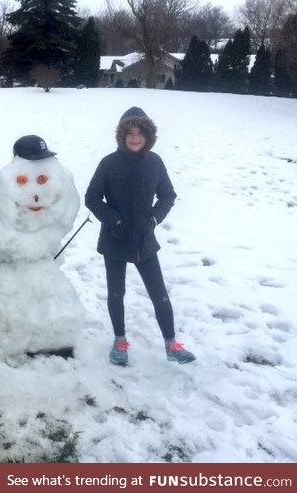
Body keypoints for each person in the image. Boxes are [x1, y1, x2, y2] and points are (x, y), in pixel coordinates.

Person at [85, 107, 196, 366]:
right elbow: (92, 198)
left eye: (140, 133)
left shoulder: (155, 162)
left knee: (160, 294)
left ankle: (171, 344)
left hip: (144, 239)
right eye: (129, 133)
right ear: (122, 136)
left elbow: (168, 194)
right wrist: (114, 218)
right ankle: (120, 340)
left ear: (148, 136)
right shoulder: (108, 163)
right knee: (116, 293)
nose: (135, 138)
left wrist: (155, 219)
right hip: (115, 237)